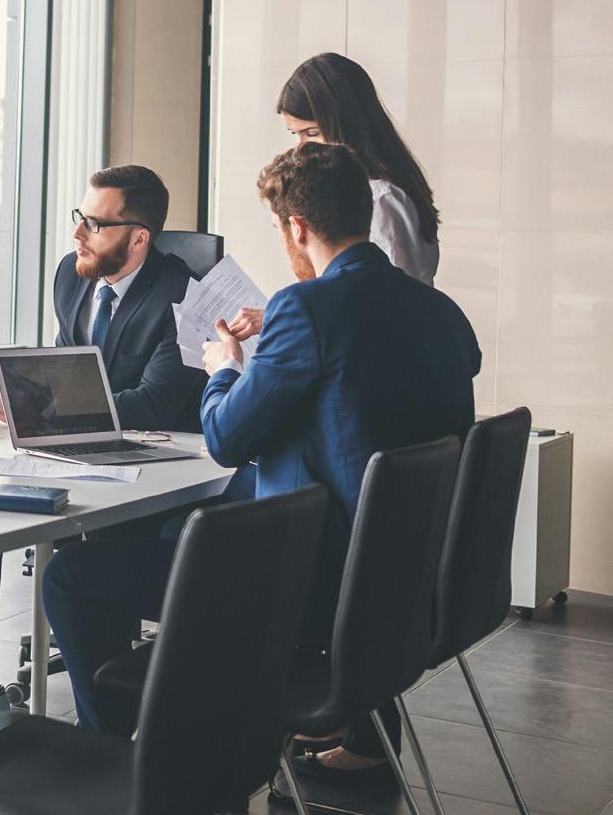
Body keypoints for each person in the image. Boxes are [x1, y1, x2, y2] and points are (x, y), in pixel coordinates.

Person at [40, 143, 479, 794]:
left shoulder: (305, 309)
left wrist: (222, 369)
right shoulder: (441, 312)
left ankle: (125, 765)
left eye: (280, 230)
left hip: (304, 589)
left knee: (72, 576)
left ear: (296, 227)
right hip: (404, 585)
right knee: (177, 532)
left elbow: (223, 435)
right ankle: (170, 735)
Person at [0, 165, 206, 734]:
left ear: (139, 237)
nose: (78, 234)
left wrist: (42, 411)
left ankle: (113, 709)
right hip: (78, 445)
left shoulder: (183, 297)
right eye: (80, 217)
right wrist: (23, 401)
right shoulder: (73, 274)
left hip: (156, 464)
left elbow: (154, 403)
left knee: (88, 559)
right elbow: (72, 372)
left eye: (94, 223)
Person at [228, 52, 444, 339]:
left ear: (346, 124)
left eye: (312, 133)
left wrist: (285, 318)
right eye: (295, 135)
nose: (300, 149)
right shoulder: (371, 190)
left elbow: (384, 309)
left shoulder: (380, 199)